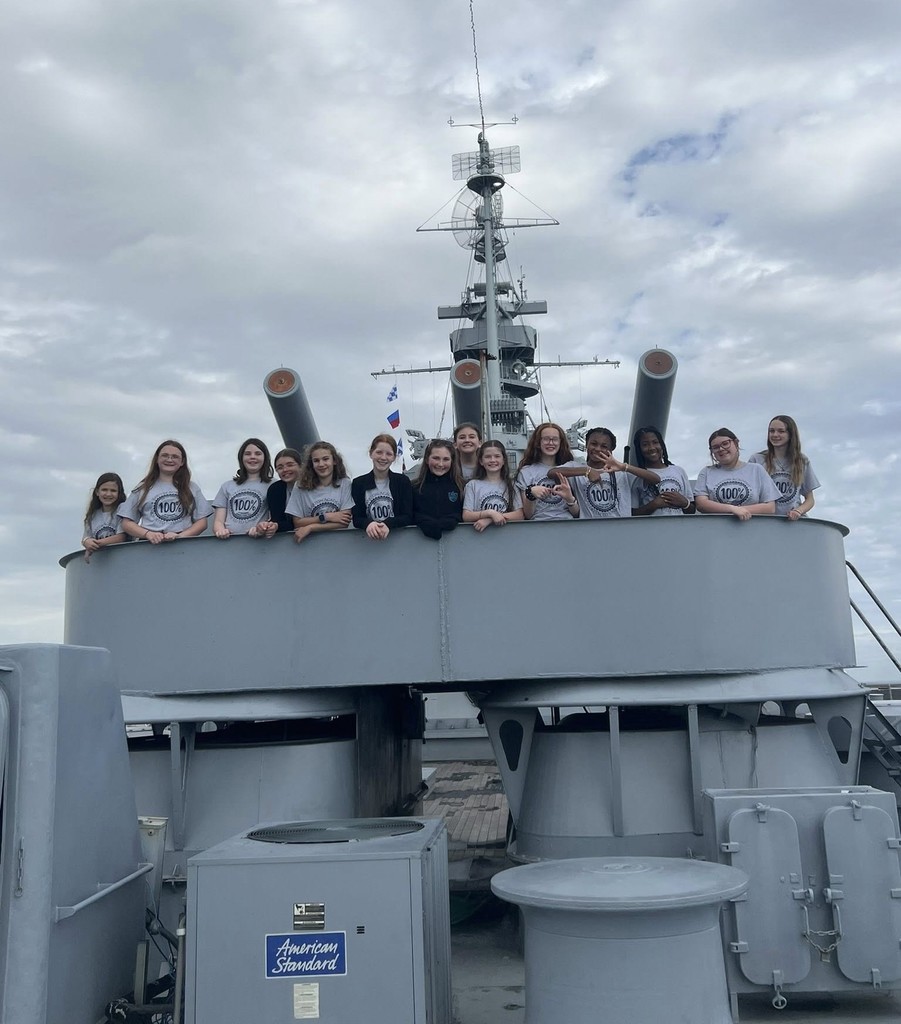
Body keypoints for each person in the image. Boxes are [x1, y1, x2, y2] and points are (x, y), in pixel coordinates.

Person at [551, 427, 660, 519]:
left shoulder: (622, 473)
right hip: (589, 532)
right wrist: (586, 471)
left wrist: (623, 466)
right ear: (587, 445)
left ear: (611, 450)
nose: (598, 449)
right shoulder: (575, 467)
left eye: (604, 446)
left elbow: (655, 479)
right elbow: (552, 473)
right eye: (593, 444)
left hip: (620, 531)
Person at [119, 440, 212, 542]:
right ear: (157, 459)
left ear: (182, 462)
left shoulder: (192, 487)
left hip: (183, 544)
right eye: (165, 455)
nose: (169, 459)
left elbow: (202, 522)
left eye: (175, 457)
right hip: (149, 545)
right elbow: (126, 523)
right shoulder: (142, 487)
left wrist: (180, 536)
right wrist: (148, 534)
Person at [694, 428, 780, 521]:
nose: (721, 449)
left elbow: (770, 507)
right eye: (715, 447)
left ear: (736, 443)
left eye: (725, 443)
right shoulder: (706, 472)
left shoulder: (756, 469)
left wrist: (741, 511)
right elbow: (701, 504)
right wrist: (731, 509)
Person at [748, 415, 820, 520]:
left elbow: (810, 499)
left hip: (793, 523)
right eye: (771, 431)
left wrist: (798, 511)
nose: (775, 435)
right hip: (765, 522)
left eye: (781, 431)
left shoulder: (802, 461)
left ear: (791, 434)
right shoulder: (757, 459)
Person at [286, 441, 353, 543]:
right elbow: (297, 523)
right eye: (316, 461)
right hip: (309, 545)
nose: (321, 464)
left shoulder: (345, 483)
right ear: (311, 464)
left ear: (334, 461)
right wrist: (327, 516)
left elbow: (344, 522)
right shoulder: (300, 486)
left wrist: (311, 527)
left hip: (339, 544)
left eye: (325, 459)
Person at [351, 434, 413, 540]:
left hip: (397, 541)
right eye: (379, 452)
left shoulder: (402, 482)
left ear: (394, 457)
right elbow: (357, 518)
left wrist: (388, 524)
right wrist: (368, 524)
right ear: (371, 454)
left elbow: (408, 515)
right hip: (368, 542)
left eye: (389, 454)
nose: (383, 457)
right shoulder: (358, 483)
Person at [514, 422, 580, 521]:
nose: (550, 443)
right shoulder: (526, 472)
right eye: (546, 439)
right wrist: (531, 493)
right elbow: (528, 515)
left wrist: (569, 499)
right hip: (538, 526)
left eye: (555, 439)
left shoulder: (571, 469)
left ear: (560, 442)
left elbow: (577, 514)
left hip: (567, 524)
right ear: (538, 442)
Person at [212, 438, 276, 539]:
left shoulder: (274, 485)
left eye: (258, 454)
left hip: (260, 543)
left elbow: (276, 517)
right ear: (241, 458)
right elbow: (218, 521)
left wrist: (262, 528)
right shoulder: (227, 486)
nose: (252, 457)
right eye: (248, 454)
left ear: (265, 458)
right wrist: (220, 530)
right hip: (229, 542)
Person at [630, 426, 695, 516]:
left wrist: (684, 503)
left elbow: (692, 510)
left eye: (655, 442)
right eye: (645, 444)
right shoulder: (636, 476)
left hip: (680, 528)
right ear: (639, 449)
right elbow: (631, 513)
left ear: (662, 445)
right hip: (650, 529)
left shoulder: (679, 471)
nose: (651, 447)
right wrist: (654, 504)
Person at [463, 440, 524, 531]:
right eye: (487, 457)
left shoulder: (512, 485)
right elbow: (466, 515)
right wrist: (489, 513)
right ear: (481, 461)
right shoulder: (472, 485)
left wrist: (490, 519)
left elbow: (520, 514)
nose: (492, 460)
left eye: (497, 456)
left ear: (503, 460)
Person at [412, 439, 464, 539]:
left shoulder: (461, 486)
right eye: (436, 458)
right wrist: (423, 521)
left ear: (452, 461)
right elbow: (409, 513)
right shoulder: (414, 487)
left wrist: (453, 519)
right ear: (427, 459)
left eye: (446, 459)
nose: (440, 464)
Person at [82, 472, 128, 562]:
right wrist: (86, 542)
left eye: (113, 491)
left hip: (122, 559)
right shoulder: (92, 515)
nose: (108, 494)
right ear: (97, 492)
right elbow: (86, 538)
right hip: (101, 562)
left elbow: (121, 537)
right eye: (104, 490)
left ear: (119, 493)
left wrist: (96, 544)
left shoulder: (123, 510)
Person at [266, 448, 302, 535]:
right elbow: (278, 520)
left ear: (301, 465)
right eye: (280, 467)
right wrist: (273, 526)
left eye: (290, 465)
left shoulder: (314, 486)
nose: (285, 470)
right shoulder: (275, 490)